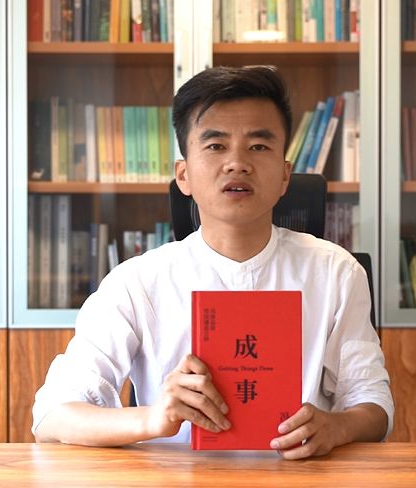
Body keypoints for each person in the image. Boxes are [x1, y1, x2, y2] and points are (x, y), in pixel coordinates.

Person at [32, 66, 393, 460]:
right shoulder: (137, 282)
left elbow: (374, 405)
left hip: (300, 477)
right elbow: (52, 417)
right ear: (183, 175)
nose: (237, 163)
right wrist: (153, 418)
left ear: (285, 176)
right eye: (216, 145)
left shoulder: (336, 273)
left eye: (259, 146)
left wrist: (338, 427)